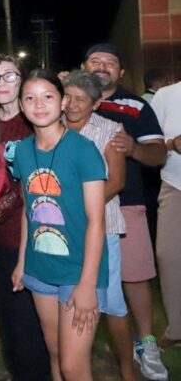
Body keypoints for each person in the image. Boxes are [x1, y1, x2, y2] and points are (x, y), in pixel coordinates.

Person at [11, 69, 108, 381]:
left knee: (73, 366)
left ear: (63, 101)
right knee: (54, 352)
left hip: (79, 270)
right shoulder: (22, 150)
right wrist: (22, 262)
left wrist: (88, 285)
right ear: (21, 105)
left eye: (48, 96)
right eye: (30, 98)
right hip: (40, 267)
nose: (39, 104)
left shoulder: (83, 150)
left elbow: (97, 221)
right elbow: (29, 210)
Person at [82, 44, 167, 380]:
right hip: (77, 207)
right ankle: (83, 344)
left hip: (126, 202)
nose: (102, 66)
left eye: (110, 62)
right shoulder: (69, 100)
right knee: (85, 279)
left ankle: (147, 343)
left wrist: (134, 148)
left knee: (134, 276)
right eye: (96, 61)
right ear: (84, 67)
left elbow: (158, 154)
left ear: (120, 72)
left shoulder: (136, 105)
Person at [0, 54, 50, 381]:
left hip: (26, 232)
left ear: (22, 79)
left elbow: (32, 179)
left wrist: (0, 207)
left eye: (9, 75)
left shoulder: (33, 120)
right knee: (5, 311)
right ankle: (17, 369)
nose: (1, 82)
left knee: (27, 313)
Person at [62, 70, 134, 381]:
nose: (72, 105)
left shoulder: (110, 130)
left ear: (95, 104)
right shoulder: (52, 126)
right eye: (67, 97)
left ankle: (127, 369)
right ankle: (74, 364)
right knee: (69, 296)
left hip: (103, 226)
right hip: (62, 229)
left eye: (81, 99)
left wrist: (77, 208)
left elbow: (116, 181)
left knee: (112, 302)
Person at [151, 80, 181, 350]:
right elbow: (152, 145)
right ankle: (177, 328)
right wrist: (172, 143)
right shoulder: (166, 96)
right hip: (175, 185)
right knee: (168, 255)